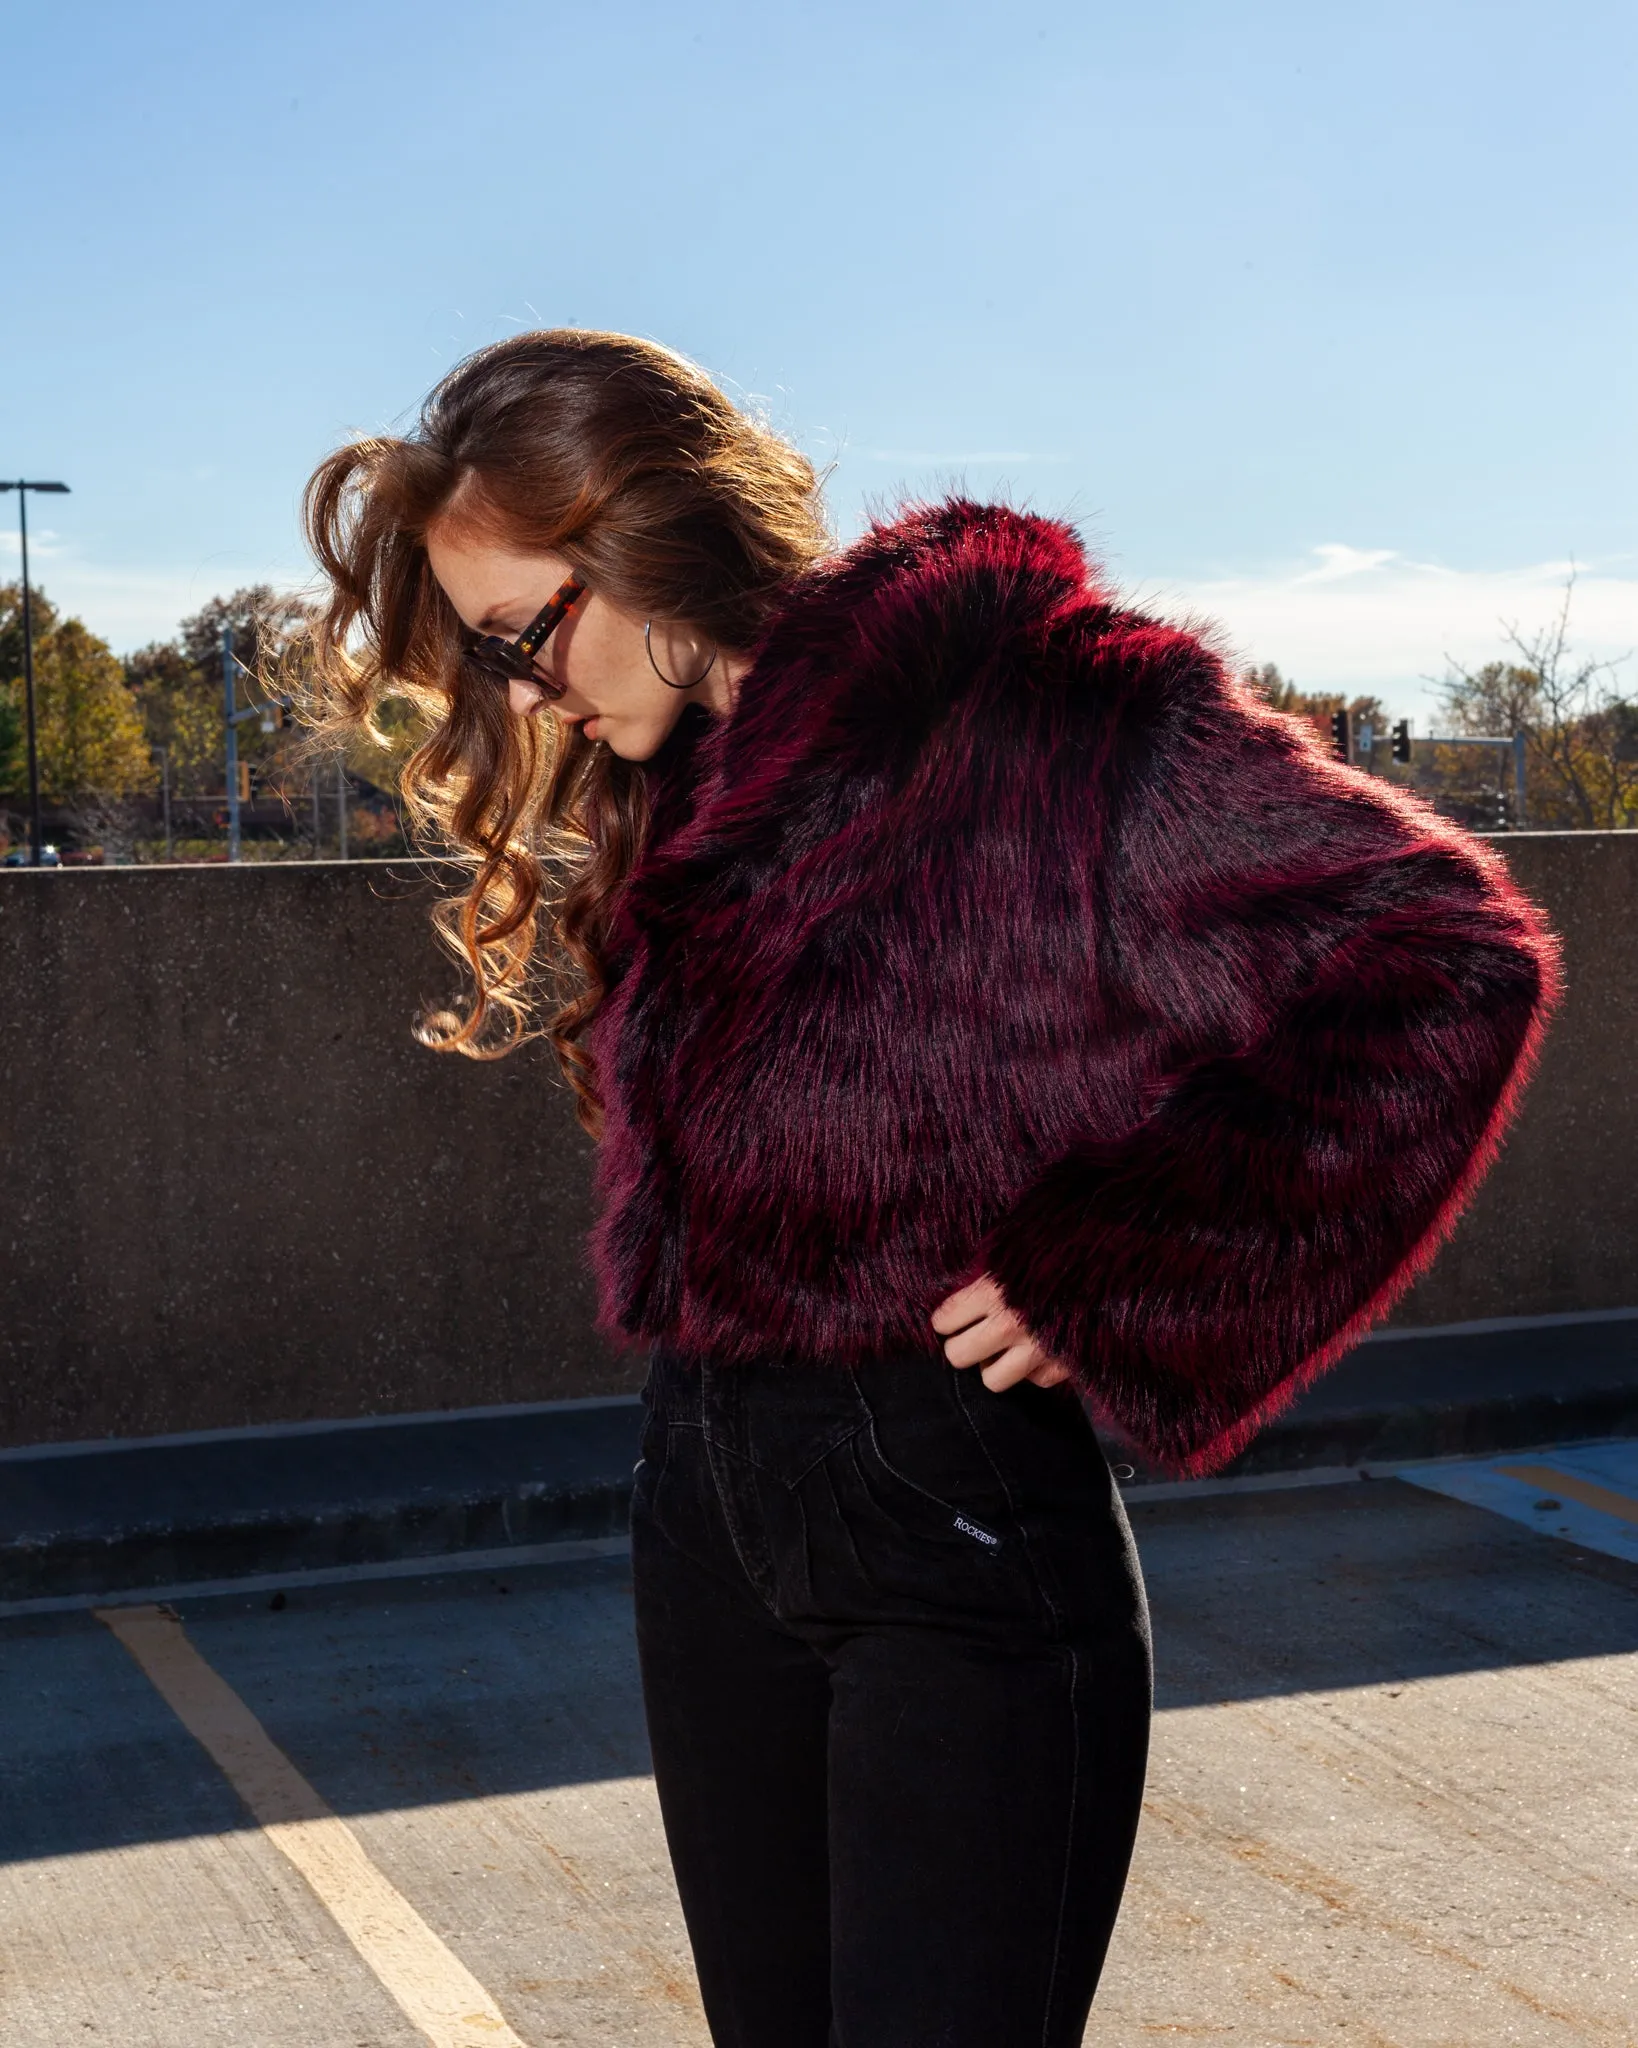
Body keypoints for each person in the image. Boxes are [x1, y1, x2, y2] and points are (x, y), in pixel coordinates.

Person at [300, 329, 1560, 2047]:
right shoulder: (685, 785)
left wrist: (1120, 1265)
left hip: (951, 1525)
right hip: (709, 1499)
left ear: (651, 539)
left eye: (524, 637)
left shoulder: (1046, 705)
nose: (521, 697)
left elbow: (1445, 958)